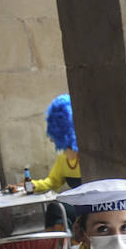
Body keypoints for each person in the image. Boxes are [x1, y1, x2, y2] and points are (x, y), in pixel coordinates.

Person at [31, 94, 83, 229]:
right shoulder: (63, 159)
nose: (50, 139)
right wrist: (30, 185)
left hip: (93, 207)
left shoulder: (87, 156)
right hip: (77, 205)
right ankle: (61, 247)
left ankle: (60, 247)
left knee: (56, 210)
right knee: (55, 210)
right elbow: (53, 182)